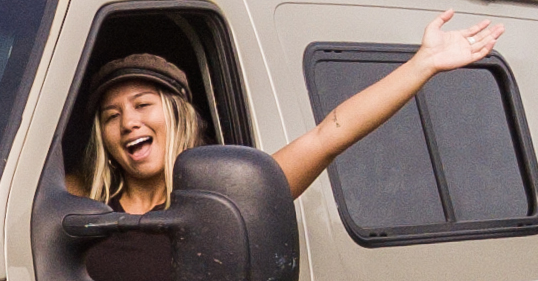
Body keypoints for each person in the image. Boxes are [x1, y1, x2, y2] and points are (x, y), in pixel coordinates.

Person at [84, 11, 506, 213]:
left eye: (142, 105)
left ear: (178, 115)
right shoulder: (83, 202)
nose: (128, 123)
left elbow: (329, 136)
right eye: (110, 115)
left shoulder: (223, 196)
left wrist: (423, 64)